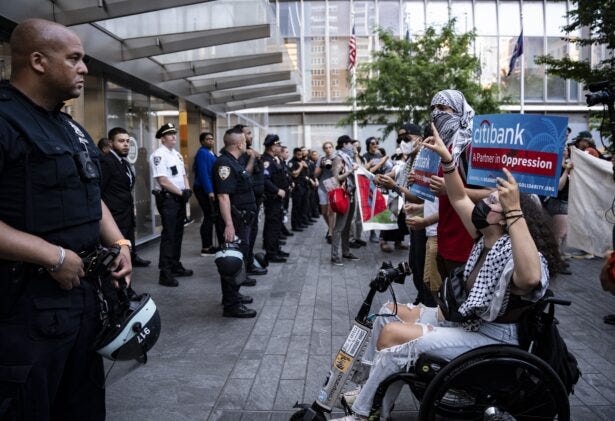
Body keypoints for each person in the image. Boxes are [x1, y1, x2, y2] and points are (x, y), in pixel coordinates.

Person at [333, 123, 560, 420]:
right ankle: (368, 389)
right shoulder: (485, 238)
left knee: (393, 343)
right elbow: (458, 198)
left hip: (491, 337)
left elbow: (530, 279)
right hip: (467, 323)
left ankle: (364, 413)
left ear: (506, 219)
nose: (483, 202)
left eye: (491, 202)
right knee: (387, 313)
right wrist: (448, 161)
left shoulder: (515, 253)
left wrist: (515, 208)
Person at [0, 18, 132, 420]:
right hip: (23, 310)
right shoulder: (6, 120)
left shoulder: (69, 127)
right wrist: (51, 256)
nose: (84, 68)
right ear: (38, 61)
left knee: (83, 407)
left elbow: (90, 194)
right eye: (74, 58)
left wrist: (120, 242)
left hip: (81, 302)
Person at [213, 127, 258, 318]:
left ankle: (233, 295)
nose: (247, 142)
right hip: (235, 221)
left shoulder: (234, 162)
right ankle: (231, 305)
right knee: (231, 260)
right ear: (239, 143)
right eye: (245, 140)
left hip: (242, 219)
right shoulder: (224, 164)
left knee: (238, 259)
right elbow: (223, 196)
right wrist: (229, 225)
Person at [149, 123, 193, 287]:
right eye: (169, 134)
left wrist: (187, 189)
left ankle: (175, 264)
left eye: (174, 133)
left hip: (179, 197)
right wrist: (182, 193)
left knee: (178, 233)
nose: (174, 136)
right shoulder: (158, 155)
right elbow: (163, 181)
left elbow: (183, 175)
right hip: (168, 199)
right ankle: (165, 272)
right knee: (169, 236)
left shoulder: (177, 154)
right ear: (162, 138)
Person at [100, 127, 151, 268]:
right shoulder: (106, 162)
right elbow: (99, 191)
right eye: (121, 141)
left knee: (128, 244)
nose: (126, 144)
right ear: (111, 143)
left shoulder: (124, 163)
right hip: (114, 216)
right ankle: (123, 288)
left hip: (126, 213)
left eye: (128, 141)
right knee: (117, 256)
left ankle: (132, 258)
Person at [330, 135, 360, 266]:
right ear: (343, 144)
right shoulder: (338, 158)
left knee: (348, 226)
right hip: (343, 195)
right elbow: (336, 178)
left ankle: (346, 252)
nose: (352, 146)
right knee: (340, 227)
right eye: (350, 144)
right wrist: (350, 171)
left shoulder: (349, 157)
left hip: (351, 193)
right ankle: (335, 255)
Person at [261, 134, 289, 263]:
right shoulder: (266, 161)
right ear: (272, 147)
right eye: (278, 145)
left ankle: (276, 249)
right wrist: (277, 190)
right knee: (272, 226)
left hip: (278, 198)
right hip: (272, 198)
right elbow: (265, 179)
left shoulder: (274, 159)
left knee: (277, 225)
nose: (279, 148)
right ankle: (271, 253)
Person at [193, 131, 221, 255]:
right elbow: (203, 173)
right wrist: (209, 191)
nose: (211, 141)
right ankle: (206, 247)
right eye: (208, 139)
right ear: (202, 141)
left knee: (211, 217)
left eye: (212, 139)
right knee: (208, 217)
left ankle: (210, 245)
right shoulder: (202, 153)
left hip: (210, 189)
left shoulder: (211, 153)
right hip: (203, 189)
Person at [315, 141, 336, 243]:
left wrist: (333, 164)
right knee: (323, 212)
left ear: (332, 148)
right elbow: (315, 174)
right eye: (326, 148)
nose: (328, 149)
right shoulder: (321, 159)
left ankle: (331, 233)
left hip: (333, 186)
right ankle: (330, 227)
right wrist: (322, 166)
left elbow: (339, 172)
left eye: (329, 147)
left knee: (331, 211)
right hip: (323, 186)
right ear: (324, 150)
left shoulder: (337, 158)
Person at [289, 147, 309, 231]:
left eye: (301, 154)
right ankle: (295, 225)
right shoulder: (291, 162)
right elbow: (294, 175)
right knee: (296, 207)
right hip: (297, 187)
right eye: (298, 155)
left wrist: (304, 165)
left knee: (302, 206)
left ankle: (300, 223)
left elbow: (307, 170)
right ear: (294, 154)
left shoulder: (302, 161)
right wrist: (301, 167)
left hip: (303, 186)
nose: (300, 156)